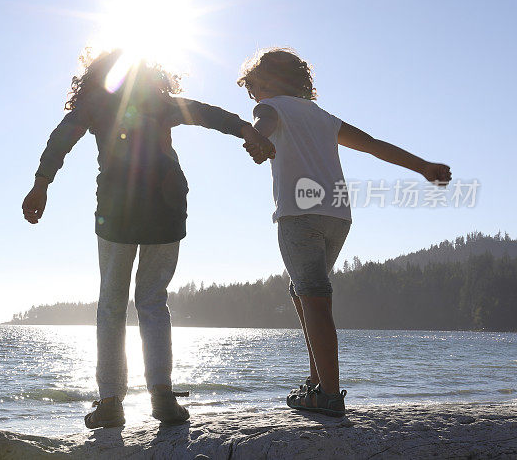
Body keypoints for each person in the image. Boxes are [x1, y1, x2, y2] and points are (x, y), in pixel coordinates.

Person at [23, 48, 274, 428]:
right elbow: (211, 115)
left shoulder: (94, 105)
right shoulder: (160, 103)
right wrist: (248, 131)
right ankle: (161, 398)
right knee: (153, 302)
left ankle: (110, 402)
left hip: (119, 212)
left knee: (111, 304)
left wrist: (41, 184)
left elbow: (61, 139)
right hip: (165, 208)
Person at [238, 48, 451, 417]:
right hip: (338, 216)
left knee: (314, 297)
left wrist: (258, 142)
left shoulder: (269, 107)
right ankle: (317, 380)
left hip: (299, 215)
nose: (253, 95)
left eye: (253, 85)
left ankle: (330, 395)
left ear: (270, 83)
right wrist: (423, 166)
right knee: (303, 291)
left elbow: (262, 126)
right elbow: (374, 146)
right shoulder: (321, 115)